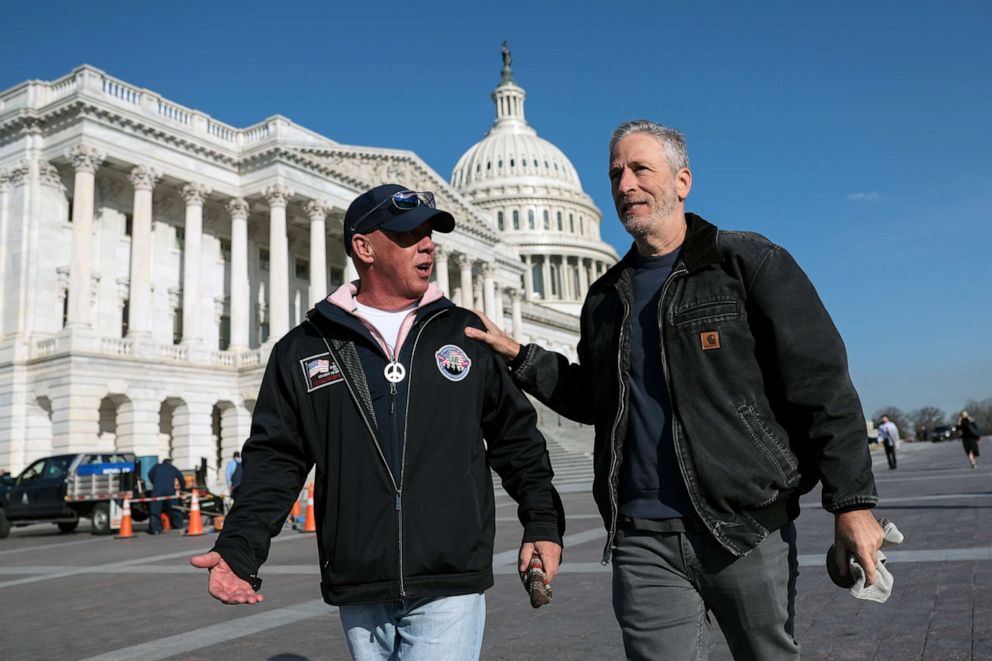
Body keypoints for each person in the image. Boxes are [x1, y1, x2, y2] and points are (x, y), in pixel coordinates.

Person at [465, 120, 883, 660]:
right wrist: (521, 356)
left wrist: (851, 503)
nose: (625, 185)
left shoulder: (747, 263)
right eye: (616, 174)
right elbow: (597, 399)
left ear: (682, 181)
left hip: (744, 523)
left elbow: (821, 383)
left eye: (641, 169)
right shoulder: (604, 298)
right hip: (642, 536)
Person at [191, 183, 564, 660]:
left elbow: (517, 441)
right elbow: (276, 459)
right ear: (364, 248)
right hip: (359, 580)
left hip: (449, 574)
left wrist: (542, 523)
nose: (427, 243)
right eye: (410, 235)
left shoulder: (466, 334)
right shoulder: (304, 348)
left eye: (429, 233)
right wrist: (240, 549)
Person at [148, 457, 185, 534]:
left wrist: (154, 482)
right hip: (169, 491)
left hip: (157, 490)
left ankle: (155, 529)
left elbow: (149, 474)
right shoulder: (172, 468)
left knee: (155, 510)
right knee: (174, 508)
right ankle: (178, 525)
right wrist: (183, 488)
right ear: (170, 462)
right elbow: (181, 478)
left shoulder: (156, 466)